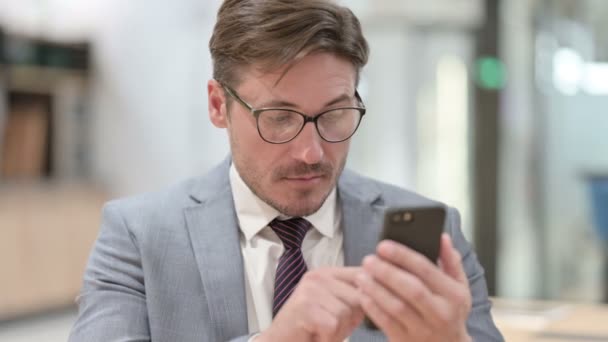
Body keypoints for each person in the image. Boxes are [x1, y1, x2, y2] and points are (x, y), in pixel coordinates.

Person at [69, 0, 503, 341]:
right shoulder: (138, 235)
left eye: (335, 114)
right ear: (218, 105)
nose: (312, 152)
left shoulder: (435, 231)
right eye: (279, 117)